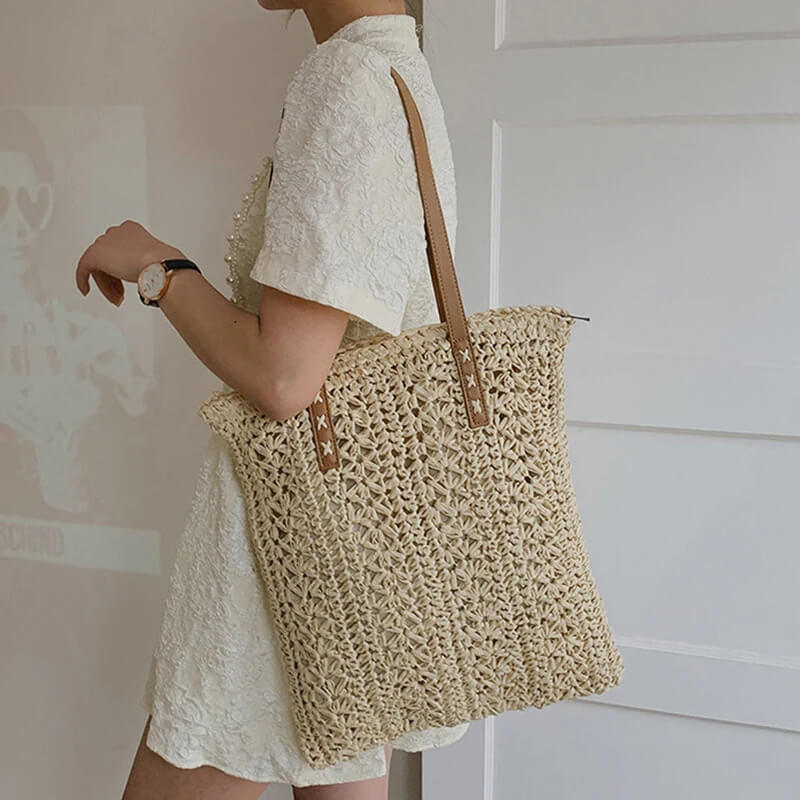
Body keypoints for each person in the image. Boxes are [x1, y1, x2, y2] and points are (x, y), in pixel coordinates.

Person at [76, 2, 468, 798]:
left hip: (284, 549)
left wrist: (156, 267)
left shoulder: (349, 78)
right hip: (361, 545)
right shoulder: (400, 69)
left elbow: (285, 378)